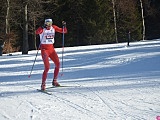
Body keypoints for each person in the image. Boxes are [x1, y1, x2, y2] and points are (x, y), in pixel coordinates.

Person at [36, 18, 67, 90]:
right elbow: (37, 32)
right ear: (45, 23)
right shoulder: (42, 29)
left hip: (51, 49)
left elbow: (64, 31)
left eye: (50, 23)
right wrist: (42, 27)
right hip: (44, 49)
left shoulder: (54, 28)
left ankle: (54, 81)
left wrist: (64, 26)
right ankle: (43, 84)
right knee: (47, 67)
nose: (49, 25)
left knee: (58, 64)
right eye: (47, 23)